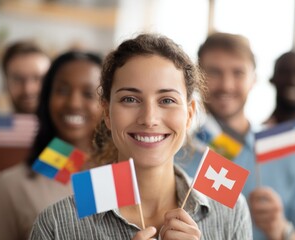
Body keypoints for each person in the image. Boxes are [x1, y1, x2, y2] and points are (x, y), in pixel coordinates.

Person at [29, 33, 252, 240]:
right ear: (107, 112)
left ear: (190, 114)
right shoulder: (56, 224)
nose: (149, 118)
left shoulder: (231, 211)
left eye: (167, 100)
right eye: (130, 99)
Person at [176, 32, 295, 239]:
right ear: (197, 78)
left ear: (254, 79)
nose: (226, 85)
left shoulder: (291, 153)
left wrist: (283, 230)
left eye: (238, 73)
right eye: (214, 72)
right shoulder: (176, 154)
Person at [0, 51, 104, 240]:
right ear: (46, 98)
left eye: (88, 93)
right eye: (62, 90)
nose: (74, 103)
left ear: (107, 104)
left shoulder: (128, 174)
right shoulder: (12, 185)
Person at [0, 41, 50, 240]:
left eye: (38, 78)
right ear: (5, 83)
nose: (29, 88)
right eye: (18, 79)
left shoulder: (69, 144)